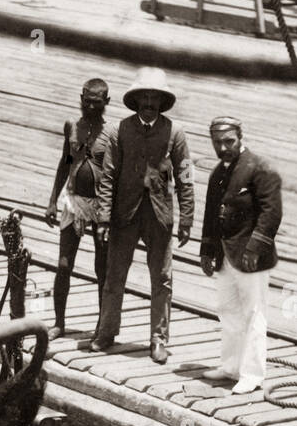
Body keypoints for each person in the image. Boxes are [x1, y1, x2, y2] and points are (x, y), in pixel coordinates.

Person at [91, 68, 194, 364]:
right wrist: (104, 218)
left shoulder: (175, 132)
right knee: (114, 276)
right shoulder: (117, 131)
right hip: (125, 215)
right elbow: (108, 176)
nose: (149, 103)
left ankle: (158, 339)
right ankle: (106, 331)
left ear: (162, 102)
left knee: (162, 279)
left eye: (155, 98)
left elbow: (186, 174)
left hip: (159, 216)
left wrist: (187, 217)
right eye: (144, 97)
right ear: (136, 100)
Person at [198, 117, 282, 395]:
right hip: (225, 255)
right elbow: (211, 215)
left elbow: (271, 214)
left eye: (229, 141)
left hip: (250, 258)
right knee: (228, 311)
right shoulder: (217, 174)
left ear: (240, 137)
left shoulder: (260, 169)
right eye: (217, 142)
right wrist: (207, 250)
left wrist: (254, 249)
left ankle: (252, 373)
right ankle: (231, 366)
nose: (223, 147)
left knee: (254, 314)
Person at [44, 78, 111, 341]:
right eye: (87, 102)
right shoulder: (72, 126)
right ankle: (59, 322)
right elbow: (65, 162)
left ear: (106, 103)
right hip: (73, 201)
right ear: (80, 99)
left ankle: (101, 327)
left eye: (97, 103)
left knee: (101, 268)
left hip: (101, 205)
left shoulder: (113, 133)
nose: (91, 108)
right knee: (63, 265)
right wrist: (52, 201)